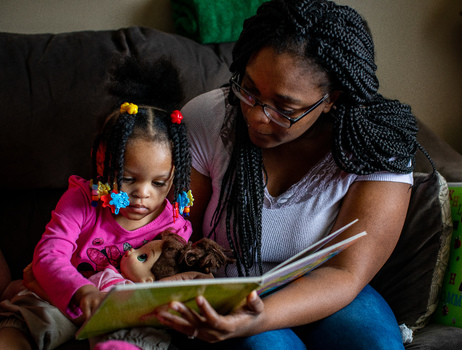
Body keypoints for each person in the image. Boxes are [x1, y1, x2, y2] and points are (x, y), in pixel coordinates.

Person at [149, 0, 433, 349]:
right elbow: (174, 234)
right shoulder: (209, 118)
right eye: (248, 90)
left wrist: (262, 314)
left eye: (285, 109)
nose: (255, 117)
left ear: (332, 99)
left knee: (374, 344)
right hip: (226, 289)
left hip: (326, 287)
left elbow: (346, 272)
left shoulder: (376, 144)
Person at [0, 55, 193, 350]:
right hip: (62, 300)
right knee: (22, 324)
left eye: (158, 183)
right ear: (103, 162)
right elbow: (49, 256)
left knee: (135, 339)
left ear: (174, 176)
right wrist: (82, 292)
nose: (143, 194)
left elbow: (173, 277)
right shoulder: (81, 201)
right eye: (128, 179)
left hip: (125, 312)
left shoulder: (174, 225)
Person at [89, 230, 234, 350]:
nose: (131, 250)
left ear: (148, 281)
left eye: (142, 257)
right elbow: (86, 291)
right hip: (107, 327)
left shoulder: (148, 295)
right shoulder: (108, 274)